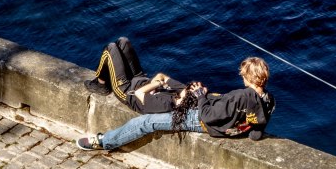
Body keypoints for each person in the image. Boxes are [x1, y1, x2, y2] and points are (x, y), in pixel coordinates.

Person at [77, 56, 276, 151]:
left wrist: (201, 96)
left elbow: (207, 116)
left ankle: (105, 141)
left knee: (147, 122)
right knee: (180, 91)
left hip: (201, 120)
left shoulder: (240, 96)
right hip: (224, 122)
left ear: (247, 77)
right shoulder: (269, 100)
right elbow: (256, 131)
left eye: (243, 75)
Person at [84, 36, 188, 114]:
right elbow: (161, 76)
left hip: (126, 90)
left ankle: (101, 84)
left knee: (110, 48)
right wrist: (154, 85)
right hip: (139, 77)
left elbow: (139, 93)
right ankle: (109, 77)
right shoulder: (181, 91)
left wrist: (157, 84)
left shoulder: (166, 105)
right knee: (123, 42)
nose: (191, 89)